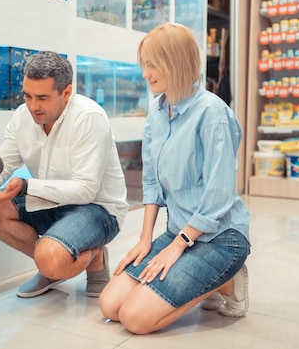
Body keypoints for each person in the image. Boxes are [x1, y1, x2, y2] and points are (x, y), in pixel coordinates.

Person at [98, 22, 251, 335]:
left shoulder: (212, 113)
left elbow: (219, 195)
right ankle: (197, 280)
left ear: (175, 62)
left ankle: (226, 282)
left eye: (152, 64)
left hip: (220, 238)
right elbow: (152, 182)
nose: (145, 73)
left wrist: (179, 245)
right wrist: (145, 240)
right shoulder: (157, 109)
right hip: (179, 231)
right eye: (144, 64)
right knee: (110, 305)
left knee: (135, 318)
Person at [0, 51, 129, 298]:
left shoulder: (89, 118)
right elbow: (2, 167)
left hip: (97, 208)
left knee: (51, 258)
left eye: (43, 98)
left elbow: (85, 190)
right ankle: (50, 260)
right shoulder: (22, 116)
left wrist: (26, 186)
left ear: (66, 93)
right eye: (27, 96)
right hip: (50, 202)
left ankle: (89, 255)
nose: (33, 106)